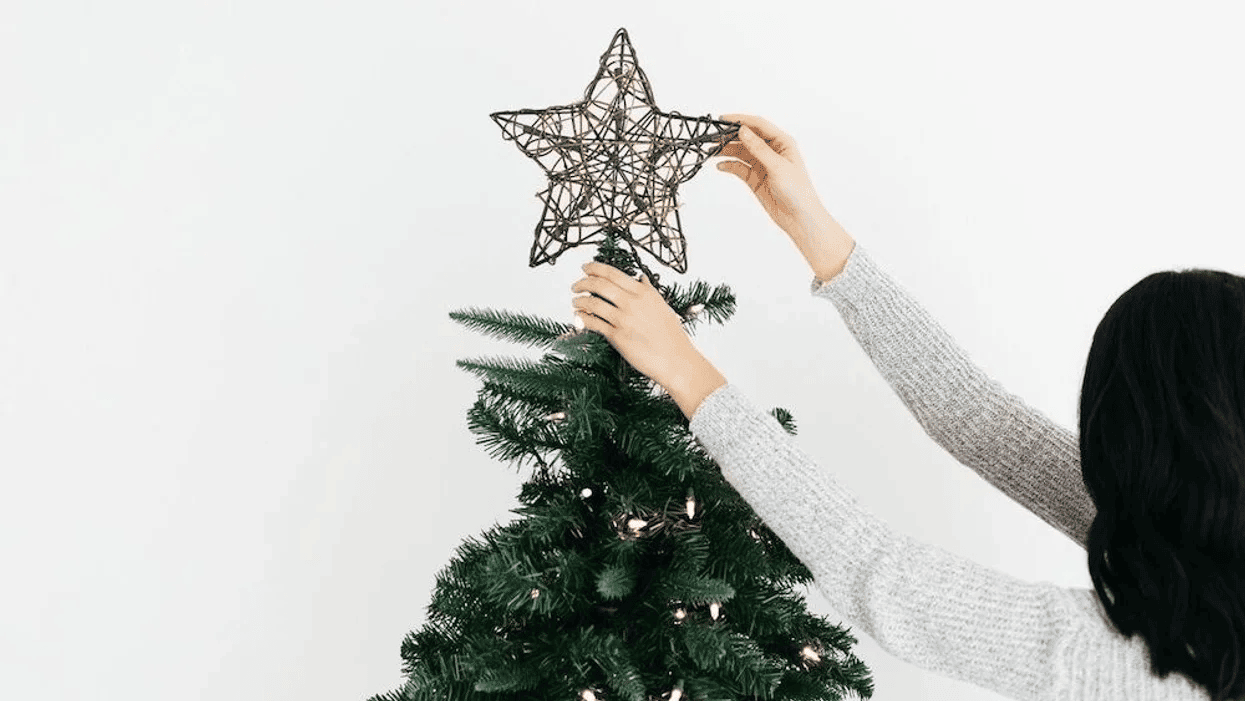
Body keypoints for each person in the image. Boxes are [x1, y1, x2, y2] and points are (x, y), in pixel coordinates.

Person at [702, 113, 1245, 700]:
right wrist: (812, 225)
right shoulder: (1200, 540)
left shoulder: (1122, 663)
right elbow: (977, 420)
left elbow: (882, 576)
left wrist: (684, 372)